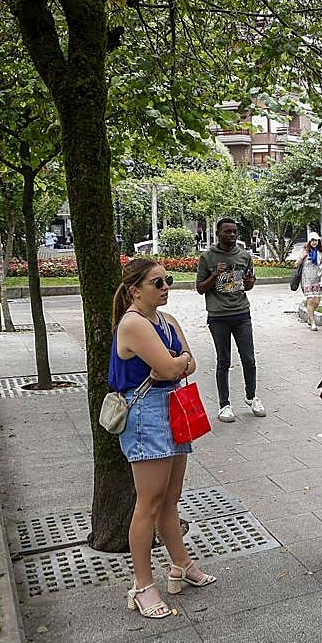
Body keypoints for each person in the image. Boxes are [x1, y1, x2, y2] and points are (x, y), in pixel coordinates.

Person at [109, 258, 216, 619]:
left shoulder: (166, 321)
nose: (166, 286)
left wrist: (178, 360)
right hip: (147, 415)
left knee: (170, 498)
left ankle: (180, 565)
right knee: (149, 503)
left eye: (167, 280)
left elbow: (188, 363)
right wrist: (177, 362)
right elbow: (173, 367)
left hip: (173, 408)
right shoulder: (134, 323)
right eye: (157, 283)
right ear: (134, 290)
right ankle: (142, 586)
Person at [196, 218, 264, 423]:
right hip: (218, 317)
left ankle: (252, 397)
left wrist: (250, 283)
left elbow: (248, 284)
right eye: (228, 232)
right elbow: (200, 288)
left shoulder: (244, 256)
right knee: (223, 360)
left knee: (249, 359)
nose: (232, 235)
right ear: (219, 234)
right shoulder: (207, 257)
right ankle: (224, 405)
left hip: (241, 313)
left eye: (235, 232)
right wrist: (215, 275)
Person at [297, 232, 322, 331]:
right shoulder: (305, 251)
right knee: (310, 300)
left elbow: (321, 263)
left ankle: (310, 315)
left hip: (318, 279)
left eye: (316, 240)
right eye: (312, 240)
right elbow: (296, 264)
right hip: (307, 279)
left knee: (317, 301)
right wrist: (301, 258)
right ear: (309, 241)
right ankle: (313, 322)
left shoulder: (320, 252)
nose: (314, 242)